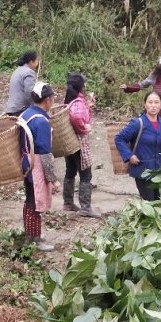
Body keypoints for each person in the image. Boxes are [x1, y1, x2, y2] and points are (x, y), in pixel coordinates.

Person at [18, 83, 58, 253]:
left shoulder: (26, 114)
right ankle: (35, 240)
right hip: (36, 166)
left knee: (29, 201)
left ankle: (30, 235)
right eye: (53, 99)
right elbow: (45, 153)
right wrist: (53, 179)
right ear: (48, 100)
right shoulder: (41, 122)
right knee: (36, 204)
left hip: (25, 162)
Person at [114, 89, 161, 201]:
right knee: (149, 203)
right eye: (150, 102)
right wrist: (129, 156)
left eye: (156, 102)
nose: (153, 105)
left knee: (160, 202)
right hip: (143, 171)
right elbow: (119, 138)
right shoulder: (138, 123)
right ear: (145, 104)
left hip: (160, 172)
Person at [63, 72, 100, 217]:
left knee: (70, 171)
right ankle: (85, 208)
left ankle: (68, 203)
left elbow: (79, 115)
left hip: (69, 143)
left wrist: (89, 107)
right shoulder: (78, 103)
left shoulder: (70, 100)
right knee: (86, 174)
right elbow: (77, 117)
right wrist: (84, 128)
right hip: (79, 144)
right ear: (81, 87)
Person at [120, 53, 161, 127]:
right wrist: (128, 88)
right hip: (155, 107)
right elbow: (142, 85)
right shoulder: (155, 75)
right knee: (152, 129)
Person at [6, 50, 40, 115]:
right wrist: (34, 108)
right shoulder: (29, 72)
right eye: (37, 60)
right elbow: (29, 93)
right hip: (20, 109)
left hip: (11, 108)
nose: (38, 63)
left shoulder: (17, 70)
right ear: (31, 62)